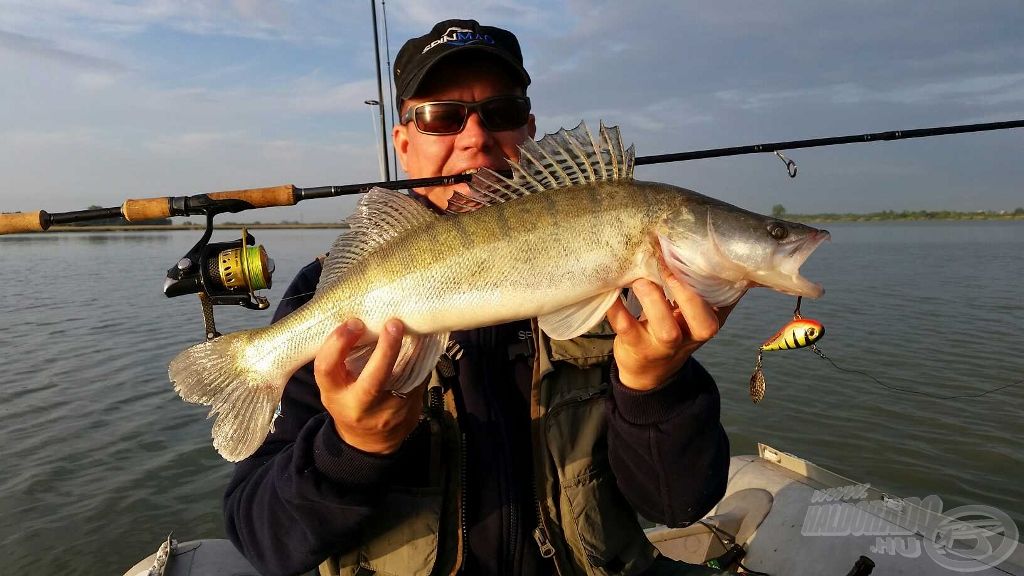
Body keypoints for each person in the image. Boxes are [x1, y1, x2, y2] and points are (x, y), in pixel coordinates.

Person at [224, 19, 733, 576]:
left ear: (530, 131)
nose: (475, 137)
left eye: (503, 112)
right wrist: (353, 447)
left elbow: (679, 504)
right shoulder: (321, 297)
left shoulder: (624, 296)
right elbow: (263, 541)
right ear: (404, 144)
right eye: (441, 117)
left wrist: (654, 389)